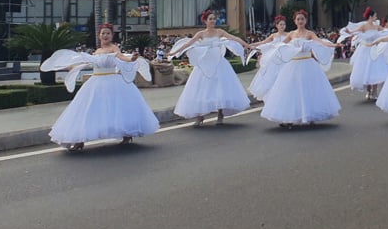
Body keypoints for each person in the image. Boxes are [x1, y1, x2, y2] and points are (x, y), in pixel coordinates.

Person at [42, 23, 159, 152]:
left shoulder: (114, 48)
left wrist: (132, 59)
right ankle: (79, 140)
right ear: (99, 35)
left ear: (112, 35)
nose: (105, 35)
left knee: (119, 108)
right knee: (87, 109)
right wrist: (70, 67)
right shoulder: (96, 51)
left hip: (113, 82)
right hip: (95, 83)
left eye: (108, 33)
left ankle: (126, 134)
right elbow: (88, 63)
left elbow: (121, 57)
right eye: (103, 33)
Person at [261, 9, 342, 128]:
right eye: (298, 19)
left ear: (306, 21)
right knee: (290, 90)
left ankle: (311, 115)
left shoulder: (310, 34)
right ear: (294, 21)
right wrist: (264, 49)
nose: (300, 21)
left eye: (302, 19)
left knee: (309, 90)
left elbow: (320, 42)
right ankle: (289, 117)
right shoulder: (291, 34)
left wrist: (334, 45)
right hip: (293, 65)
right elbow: (279, 45)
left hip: (308, 64)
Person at [172, 10, 252, 126]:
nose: (213, 21)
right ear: (205, 21)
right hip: (204, 66)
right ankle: (200, 116)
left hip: (219, 64)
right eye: (210, 19)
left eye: (214, 19)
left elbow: (234, 38)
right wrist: (174, 52)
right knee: (201, 90)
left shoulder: (220, 32)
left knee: (220, 90)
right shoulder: (200, 34)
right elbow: (187, 44)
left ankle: (220, 115)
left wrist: (247, 45)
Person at [343, 7, 388, 100]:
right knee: (366, 71)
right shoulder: (364, 26)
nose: (376, 17)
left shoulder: (376, 26)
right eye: (375, 15)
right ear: (371, 16)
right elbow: (354, 32)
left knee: (375, 70)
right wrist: (348, 31)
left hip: (374, 50)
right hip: (365, 50)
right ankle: (368, 90)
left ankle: (374, 91)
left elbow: (385, 31)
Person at [247, 15, 289, 101]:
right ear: (276, 25)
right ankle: (274, 98)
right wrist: (252, 45)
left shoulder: (288, 35)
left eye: (284, 24)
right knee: (272, 79)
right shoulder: (273, 35)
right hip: (274, 60)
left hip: (286, 59)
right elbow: (263, 42)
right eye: (280, 24)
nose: (282, 26)